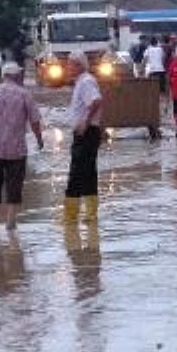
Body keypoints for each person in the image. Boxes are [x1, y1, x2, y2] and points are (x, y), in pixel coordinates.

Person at [0, 62, 43, 231]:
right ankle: (11, 220)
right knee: (14, 184)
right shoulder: (24, 94)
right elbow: (35, 121)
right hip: (16, 149)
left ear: (3, 76)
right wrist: (39, 139)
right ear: (17, 76)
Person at [63, 51, 103, 226]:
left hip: (86, 132)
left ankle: (71, 215)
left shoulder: (86, 81)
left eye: (70, 64)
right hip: (87, 131)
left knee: (77, 172)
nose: (67, 68)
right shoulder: (82, 81)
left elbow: (95, 101)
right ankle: (90, 213)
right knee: (88, 172)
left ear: (79, 65)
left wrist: (85, 122)